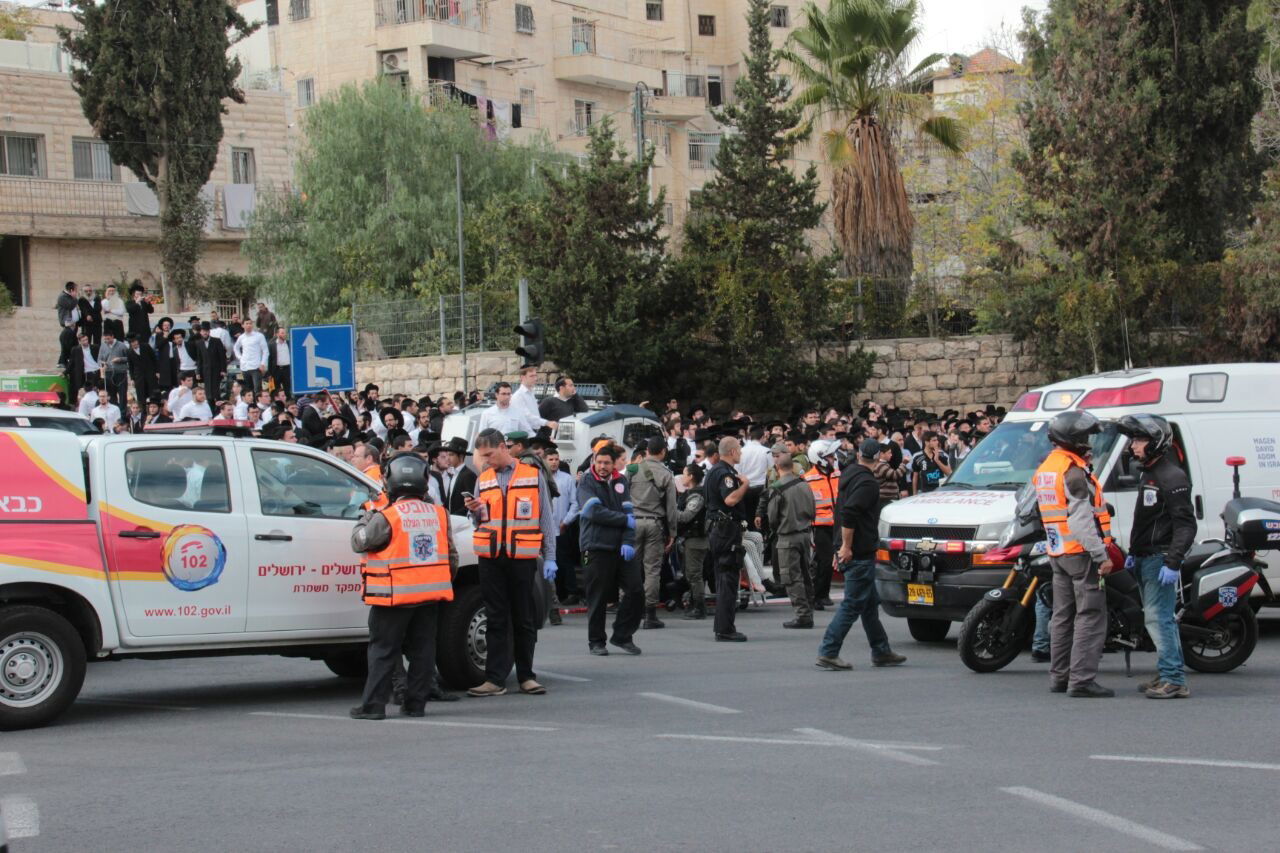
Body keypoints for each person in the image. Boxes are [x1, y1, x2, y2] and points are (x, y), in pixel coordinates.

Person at [347, 453, 457, 720]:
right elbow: (451, 557)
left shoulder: (388, 516)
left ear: (390, 480)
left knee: (383, 651)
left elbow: (360, 541)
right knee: (423, 650)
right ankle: (415, 704)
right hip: (430, 596)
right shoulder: (440, 514)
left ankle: (373, 706)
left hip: (393, 596)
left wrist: (366, 518)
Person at [463, 428, 555, 696]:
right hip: (491, 558)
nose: (486, 460)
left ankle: (527, 676)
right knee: (495, 618)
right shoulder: (485, 478)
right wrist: (476, 512)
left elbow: (546, 519)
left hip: (521, 558)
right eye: (482, 456)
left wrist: (551, 557)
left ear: (504, 447)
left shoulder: (532, 475)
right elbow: (481, 520)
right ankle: (495, 679)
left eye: (489, 454)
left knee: (523, 618)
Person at [1034, 411, 1115, 698]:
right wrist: (1101, 555)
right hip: (1080, 553)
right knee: (1089, 615)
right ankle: (1081, 680)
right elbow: (1081, 521)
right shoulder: (1073, 471)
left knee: (1062, 615)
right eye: (1084, 436)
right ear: (1073, 439)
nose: (1088, 441)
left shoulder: (1047, 467)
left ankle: (1059, 677)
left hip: (1057, 552)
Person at [1117, 414, 1195, 700]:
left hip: (1159, 559)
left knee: (1158, 619)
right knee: (1162, 619)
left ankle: (1174, 679)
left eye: (1139, 440)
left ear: (1156, 442)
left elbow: (1186, 525)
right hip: (1144, 557)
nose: (1133, 446)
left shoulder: (1171, 476)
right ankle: (1167, 673)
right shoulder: (1149, 472)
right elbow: (1147, 520)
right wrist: (1133, 553)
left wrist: (1172, 562)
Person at [816, 439, 907, 671]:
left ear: (859, 455)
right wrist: (847, 547)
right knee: (853, 603)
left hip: (853, 548)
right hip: (858, 552)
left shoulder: (851, 473)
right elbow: (850, 513)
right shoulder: (867, 482)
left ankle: (881, 651)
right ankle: (828, 651)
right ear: (878, 458)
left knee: (868, 604)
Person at [576, 443, 642, 655]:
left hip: (620, 548)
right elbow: (593, 512)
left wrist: (627, 541)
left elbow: (630, 514)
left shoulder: (620, 481)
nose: (602, 466)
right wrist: (624, 521)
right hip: (595, 547)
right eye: (599, 462)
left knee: (636, 591)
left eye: (607, 463)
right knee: (598, 596)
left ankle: (622, 635)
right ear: (594, 461)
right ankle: (596, 642)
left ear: (614, 464)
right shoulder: (586, 481)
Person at [629, 436, 677, 630]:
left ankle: (629, 610)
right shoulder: (666, 474)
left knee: (631, 568)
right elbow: (671, 508)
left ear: (646, 450)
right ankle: (650, 614)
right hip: (655, 524)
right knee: (652, 570)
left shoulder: (632, 470)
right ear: (663, 452)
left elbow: (621, 494)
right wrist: (672, 532)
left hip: (633, 523)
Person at [706, 436, 750, 642]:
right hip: (725, 530)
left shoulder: (716, 470)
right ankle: (725, 629)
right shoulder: (725, 474)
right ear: (732, 452)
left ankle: (723, 626)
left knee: (724, 577)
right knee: (728, 579)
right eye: (739, 450)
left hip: (718, 529)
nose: (740, 453)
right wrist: (745, 485)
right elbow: (730, 499)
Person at [767, 444, 816, 629]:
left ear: (777, 465)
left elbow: (772, 517)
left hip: (787, 535)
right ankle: (809, 609)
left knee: (791, 577)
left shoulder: (777, 487)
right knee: (805, 573)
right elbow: (813, 509)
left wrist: (776, 528)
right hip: (805, 533)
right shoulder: (804, 483)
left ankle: (802, 615)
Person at [802, 441, 841, 609]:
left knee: (824, 561)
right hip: (819, 526)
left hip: (836, 524)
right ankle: (819, 596)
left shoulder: (837, 474)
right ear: (820, 458)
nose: (834, 458)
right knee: (825, 560)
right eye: (830, 456)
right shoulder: (808, 478)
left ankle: (819, 594)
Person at [677, 464, 709, 619]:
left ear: (691, 476)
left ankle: (699, 607)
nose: (682, 477)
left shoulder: (697, 496)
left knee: (694, 574)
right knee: (691, 574)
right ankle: (693, 603)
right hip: (691, 539)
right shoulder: (690, 493)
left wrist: (669, 510)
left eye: (684, 473)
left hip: (696, 540)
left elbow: (686, 516)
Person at [737, 425, 771, 524]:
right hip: (761, 488)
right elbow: (771, 470)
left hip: (745, 488)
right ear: (762, 437)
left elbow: (737, 470)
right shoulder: (766, 451)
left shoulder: (741, 451)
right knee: (760, 518)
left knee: (748, 517)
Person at [511, 365, 553, 435]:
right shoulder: (518, 396)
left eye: (535, 375)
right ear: (522, 377)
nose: (535, 379)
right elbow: (527, 416)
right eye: (531, 376)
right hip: (526, 434)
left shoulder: (531, 393)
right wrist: (547, 423)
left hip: (536, 431)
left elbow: (535, 413)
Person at [97, 327, 130, 413]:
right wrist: (103, 363)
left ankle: (122, 412)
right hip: (108, 372)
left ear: (112, 337)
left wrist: (120, 359)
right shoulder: (103, 346)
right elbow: (99, 359)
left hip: (120, 373)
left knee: (122, 394)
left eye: (108, 339)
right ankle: (113, 411)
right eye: (105, 339)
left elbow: (129, 357)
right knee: (111, 394)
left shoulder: (121, 345)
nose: (107, 341)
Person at [233, 319, 269, 394]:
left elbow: (265, 351)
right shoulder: (241, 337)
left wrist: (263, 363)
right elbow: (236, 348)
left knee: (257, 389)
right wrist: (240, 357)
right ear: (243, 325)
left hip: (256, 366)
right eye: (247, 323)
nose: (249, 325)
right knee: (248, 389)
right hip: (245, 366)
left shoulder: (259, 336)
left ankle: (258, 404)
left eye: (250, 323)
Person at [194, 322, 228, 399]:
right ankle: (210, 406)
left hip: (217, 370)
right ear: (200, 332)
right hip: (205, 370)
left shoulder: (217, 341)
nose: (205, 333)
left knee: (217, 390)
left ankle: (218, 406)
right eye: (203, 331)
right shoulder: (199, 343)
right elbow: (199, 359)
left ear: (209, 332)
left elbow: (222, 357)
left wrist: (223, 370)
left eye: (206, 331)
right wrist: (198, 372)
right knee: (208, 390)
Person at [125, 332, 158, 406]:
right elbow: (131, 366)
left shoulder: (145, 346)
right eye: (132, 342)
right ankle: (143, 411)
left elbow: (154, 359)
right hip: (139, 376)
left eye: (135, 341)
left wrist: (157, 371)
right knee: (141, 395)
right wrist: (132, 378)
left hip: (150, 373)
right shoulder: (129, 352)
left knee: (153, 393)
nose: (134, 343)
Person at [56, 281, 81, 369]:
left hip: (73, 326)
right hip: (68, 325)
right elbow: (70, 305)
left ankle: (69, 362)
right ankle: (62, 362)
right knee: (67, 345)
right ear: (71, 290)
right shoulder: (63, 297)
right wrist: (75, 298)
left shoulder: (70, 297)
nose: (77, 293)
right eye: (76, 290)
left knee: (74, 345)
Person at [268, 326, 291, 396]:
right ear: (277, 334)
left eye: (285, 333)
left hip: (287, 369)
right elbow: (270, 359)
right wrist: (270, 373)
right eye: (282, 333)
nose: (284, 334)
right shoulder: (272, 345)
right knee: (276, 390)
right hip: (277, 370)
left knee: (287, 389)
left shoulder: (289, 343)